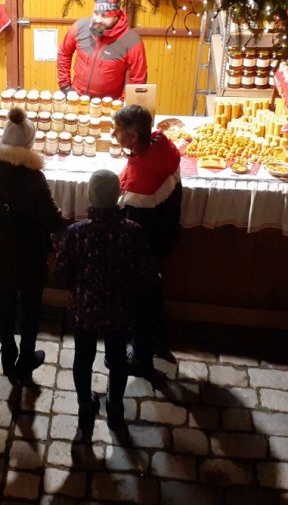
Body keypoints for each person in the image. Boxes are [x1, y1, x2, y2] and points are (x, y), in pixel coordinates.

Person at [55, 170, 158, 428]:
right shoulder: (133, 232)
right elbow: (146, 274)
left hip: (85, 308)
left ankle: (84, 403)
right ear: (119, 195)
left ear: (89, 196)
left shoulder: (76, 232)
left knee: (83, 356)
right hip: (120, 308)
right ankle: (115, 404)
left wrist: (78, 289)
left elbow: (61, 274)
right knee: (118, 357)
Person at [0, 108, 65, 382]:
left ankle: (8, 356)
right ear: (29, 143)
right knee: (30, 303)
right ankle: (26, 356)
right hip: (28, 248)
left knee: (4, 299)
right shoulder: (32, 177)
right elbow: (53, 220)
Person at [112, 104, 183, 377]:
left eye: (119, 130)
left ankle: (141, 356)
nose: (115, 134)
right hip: (163, 238)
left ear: (132, 136)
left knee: (139, 301)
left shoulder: (144, 179)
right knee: (154, 293)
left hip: (145, 247)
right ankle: (158, 342)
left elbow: (129, 215)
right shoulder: (161, 149)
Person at [57, 0, 148, 100]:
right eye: (96, 13)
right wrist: (66, 86)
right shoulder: (80, 27)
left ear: (116, 16)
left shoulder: (132, 40)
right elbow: (64, 53)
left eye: (105, 15)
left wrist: (121, 105)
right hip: (77, 100)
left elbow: (137, 79)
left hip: (110, 106)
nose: (98, 19)